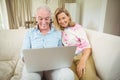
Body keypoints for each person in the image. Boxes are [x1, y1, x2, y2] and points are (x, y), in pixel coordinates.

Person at [21, 6, 74, 80]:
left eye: (46, 18)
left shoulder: (58, 32)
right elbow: (23, 53)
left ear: (50, 18)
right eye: (40, 18)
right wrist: (26, 59)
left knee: (68, 75)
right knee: (29, 78)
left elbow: (61, 52)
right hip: (34, 68)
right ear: (36, 18)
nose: (43, 22)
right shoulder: (29, 33)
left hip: (53, 67)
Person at [54, 7, 100, 80]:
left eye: (63, 18)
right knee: (70, 77)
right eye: (59, 19)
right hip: (69, 59)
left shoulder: (77, 28)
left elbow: (88, 47)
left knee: (89, 78)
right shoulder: (61, 31)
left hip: (81, 55)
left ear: (68, 17)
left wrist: (82, 61)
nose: (62, 21)